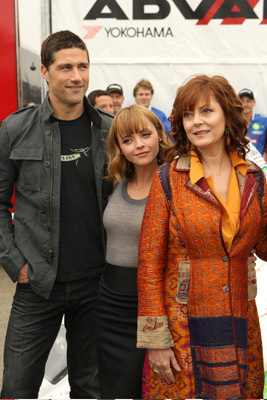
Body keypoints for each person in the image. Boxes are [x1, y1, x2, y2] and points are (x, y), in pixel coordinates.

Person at [137, 75, 267, 399]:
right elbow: (149, 264)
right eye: (188, 115)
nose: (197, 122)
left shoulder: (253, 177)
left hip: (240, 318)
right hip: (184, 324)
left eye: (207, 111)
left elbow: (263, 247)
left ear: (227, 114)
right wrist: (157, 340)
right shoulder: (168, 180)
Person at [0, 30, 113, 399]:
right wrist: (15, 263)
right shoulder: (16, 129)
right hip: (37, 284)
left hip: (97, 283)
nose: (76, 76)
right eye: (66, 67)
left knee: (90, 389)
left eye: (83, 66)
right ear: (45, 71)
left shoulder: (110, 131)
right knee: (16, 388)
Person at [96, 104, 170, 398]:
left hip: (152, 303)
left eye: (145, 134)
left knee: (148, 387)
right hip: (110, 303)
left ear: (159, 135)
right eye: (128, 140)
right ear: (119, 148)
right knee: (113, 388)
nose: (139, 145)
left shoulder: (174, 184)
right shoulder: (115, 182)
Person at [238, 88, 267, 156]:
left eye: (248, 101)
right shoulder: (233, 122)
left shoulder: (263, 121)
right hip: (238, 163)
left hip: (257, 164)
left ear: (254, 103)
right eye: (242, 101)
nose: (245, 104)